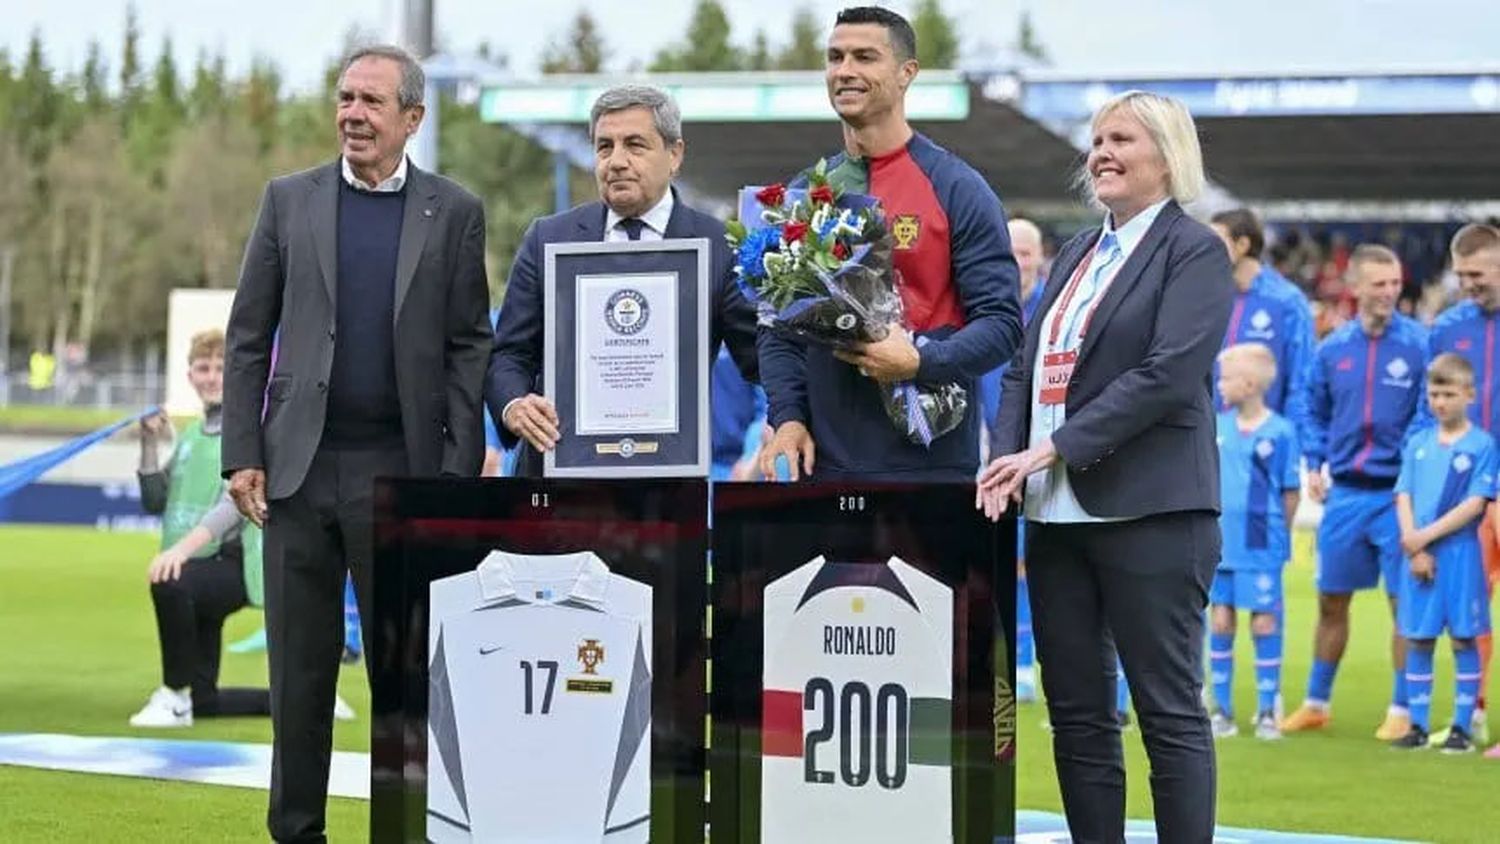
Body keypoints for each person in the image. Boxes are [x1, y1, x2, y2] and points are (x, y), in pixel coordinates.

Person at [221, 44, 491, 843]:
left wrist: (450, 465)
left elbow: (469, 346)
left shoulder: (458, 211)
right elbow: (247, 335)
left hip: (400, 475)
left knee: (405, 680)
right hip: (298, 477)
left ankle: (405, 831)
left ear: (413, 117)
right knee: (298, 679)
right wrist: (243, 451)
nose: (354, 114)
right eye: (345, 98)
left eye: (373, 102)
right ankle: (297, 833)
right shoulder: (286, 201)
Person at [978, 90, 1233, 842]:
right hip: (1057, 518)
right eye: (1095, 141)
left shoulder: (1195, 250)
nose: (1101, 153)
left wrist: (1055, 446)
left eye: (1121, 138)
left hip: (1153, 512)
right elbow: (1024, 370)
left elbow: (1167, 374)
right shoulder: (1077, 255)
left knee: (1167, 709)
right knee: (1078, 714)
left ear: (1167, 154)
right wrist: (1006, 458)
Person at [758, 6, 1021, 483]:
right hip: (827, 467)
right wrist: (788, 417)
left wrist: (921, 361)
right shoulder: (805, 193)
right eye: (835, 57)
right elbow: (778, 330)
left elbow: (1002, 325)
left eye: (864, 57)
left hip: (929, 465)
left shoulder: (956, 187)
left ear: (906, 73)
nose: (845, 71)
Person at [487, 84, 759, 476]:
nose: (616, 161)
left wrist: (787, 414)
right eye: (604, 146)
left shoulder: (720, 244)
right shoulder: (548, 238)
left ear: (675, 155)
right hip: (560, 476)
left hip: (667, 484)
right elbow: (510, 354)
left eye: (634, 145)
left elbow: (760, 356)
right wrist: (514, 406)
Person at [1281, 244, 1427, 740]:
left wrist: (1411, 466)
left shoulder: (1419, 345)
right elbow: (1312, 410)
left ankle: (1403, 708)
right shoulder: (1333, 349)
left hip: (1396, 495)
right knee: (1330, 601)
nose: (1389, 292)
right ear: (1356, 286)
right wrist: (1314, 460)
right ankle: (1317, 703)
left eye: (1395, 283)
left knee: (1401, 604)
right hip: (1344, 495)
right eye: (1379, 284)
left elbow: (1428, 415)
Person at [129, 329, 271, 727]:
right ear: (190, 375)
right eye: (202, 367)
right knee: (205, 700)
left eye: (221, 368)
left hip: (238, 563)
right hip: (207, 559)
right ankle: (301, 702)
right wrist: (149, 444)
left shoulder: (244, 431)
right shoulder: (192, 433)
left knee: (170, 582)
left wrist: (179, 551)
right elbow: (155, 500)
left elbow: (232, 506)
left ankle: (173, 696)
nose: (211, 376)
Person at [1421, 223, 1500, 751]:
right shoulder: (1447, 328)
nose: (1467, 283)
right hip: (1466, 494)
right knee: (1468, 611)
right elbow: (1425, 412)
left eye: (1477, 274)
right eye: (1462, 274)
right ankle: (1470, 716)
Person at [1391, 353, 1496, 751]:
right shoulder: (1418, 443)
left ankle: (1461, 728)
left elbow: (1475, 504)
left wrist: (1422, 538)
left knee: (1463, 639)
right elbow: (1403, 493)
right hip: (1417, 556)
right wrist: (1412, 542)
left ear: (1469, 394)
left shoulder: (1482, 444)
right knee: (1419, 638)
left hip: (1460, 554)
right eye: (1434, 394)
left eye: (1449, 393)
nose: (1440, 402)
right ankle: (1416, 725)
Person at [1208, 343, 1300, 741]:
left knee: (1264, 622)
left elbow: (1290, 490)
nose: (1219, 385)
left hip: (1261, 543)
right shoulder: (1216, 427)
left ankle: (1267, 708)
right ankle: (1221, 709)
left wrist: (1282, 532)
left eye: (1225, 378)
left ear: (1248, 384)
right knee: (1221, 620)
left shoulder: (1280, 431)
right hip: (1222, 542)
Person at [1208, 208, 1315, 431]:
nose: (1206, 250)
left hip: (1267, 442)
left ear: (1242, 245)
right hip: (1215, 440)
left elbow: (1302, 381)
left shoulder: (1287, 301)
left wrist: (1294, 441)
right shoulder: (1210, 297)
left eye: (1216, 242)